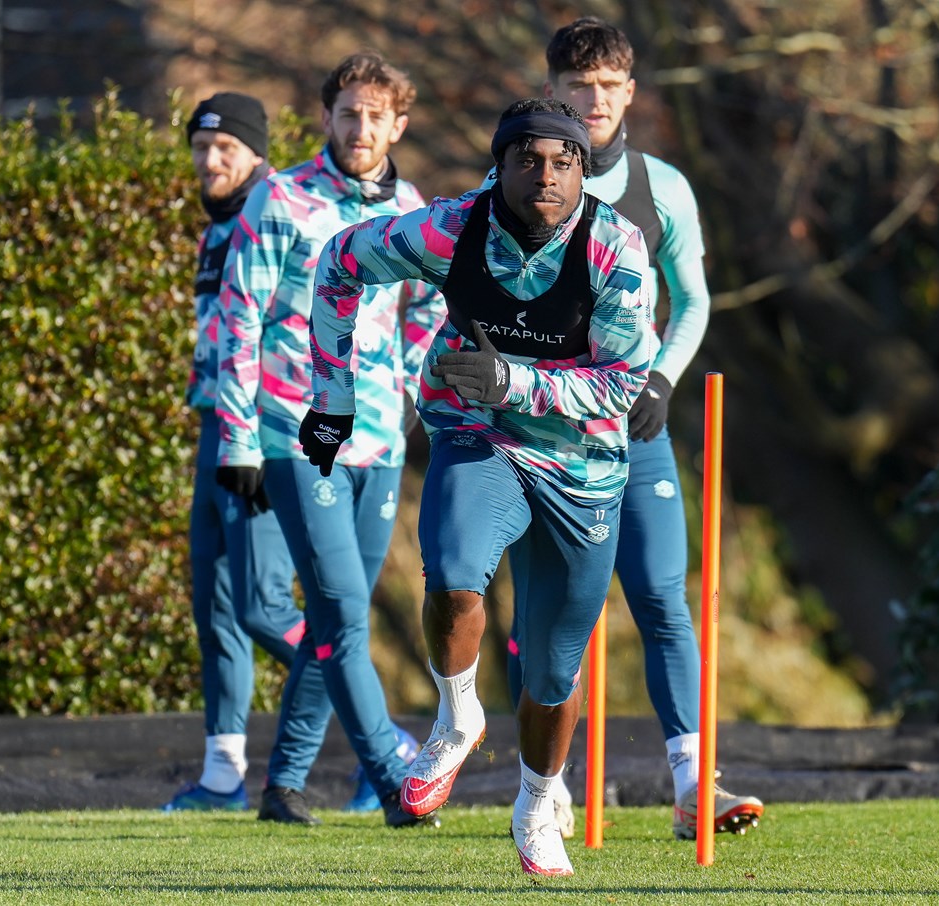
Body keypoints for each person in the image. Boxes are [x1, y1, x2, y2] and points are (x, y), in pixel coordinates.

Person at [306, 98, 653, 875]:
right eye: (527, 158)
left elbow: (623, 386)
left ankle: (536, 801)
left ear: (584, 169)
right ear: (496, 165)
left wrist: (512, 378)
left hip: (584, 463)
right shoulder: (446, 227)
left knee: (554, 671)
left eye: (564, 161)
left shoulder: (614, 247)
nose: (546, 175)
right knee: (455, 570)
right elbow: (336, 265)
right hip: (477, 433)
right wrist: (332, 397)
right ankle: (456, 717)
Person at [515, 17, 765, 841]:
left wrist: (660, 378)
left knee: (662, 596)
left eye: (607, 86)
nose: (591, 101)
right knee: (552, 615)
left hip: (633, 425)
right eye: (576, 86)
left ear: (630, 92)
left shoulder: (663, 188)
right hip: (541, 437)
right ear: (552, 90)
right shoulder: (521, 178)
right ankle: (542, 783)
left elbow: (692, 302)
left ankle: (696, 784)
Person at [215, 52, 445, 828]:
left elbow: (426, 313)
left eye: (376, 115)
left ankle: (283, 786)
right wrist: (237, 440)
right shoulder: (280, 200)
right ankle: (391, 776)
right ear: (325, 118)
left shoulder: (410, 206)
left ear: (398, 124)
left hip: (378, 439)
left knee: (328, 621)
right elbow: (236, 319)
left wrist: (410, 391)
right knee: (344, 610)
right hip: (293, 434)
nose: (360, 127)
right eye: (347, 112)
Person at [161, 92, 308, 813]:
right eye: (200, 148)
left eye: (224, 148)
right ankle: (223, 774)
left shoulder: (270, 209)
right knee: (214, 601)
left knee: (262, 606)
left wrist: (250, 433)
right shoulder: (215, 228)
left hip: (261, 429)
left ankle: (384, 734)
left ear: (255, 151)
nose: (210, 160)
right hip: (215, 424)